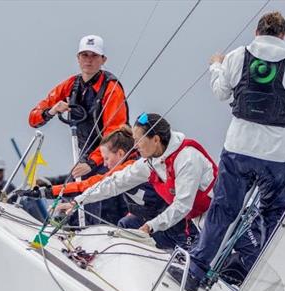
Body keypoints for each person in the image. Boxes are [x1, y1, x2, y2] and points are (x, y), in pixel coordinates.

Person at [173, 11, 285, 291]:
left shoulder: (238, 55)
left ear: (257, 31)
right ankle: (259, 287)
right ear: (283, 35)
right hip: (277, 155)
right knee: (273, 216)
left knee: (222, 212)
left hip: (239, 150)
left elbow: (220, 93)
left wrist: (216, 66)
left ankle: (194, 274)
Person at [58, 113, 217, 250]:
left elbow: (182, 205)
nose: (135, 146)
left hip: (214, 219)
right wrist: (78, 201)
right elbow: (115, 182)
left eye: (139, 140)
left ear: (155, 139)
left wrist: (151, 225)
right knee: (127, 225)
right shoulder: (150, 162)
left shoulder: (187, 158)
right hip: (185, 222)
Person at [28, 34, 129, 180]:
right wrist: (51, 111)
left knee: (93, 195)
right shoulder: (71, 84)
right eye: (84, 55)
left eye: (94, 55)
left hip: (110, 158)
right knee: (72, 192)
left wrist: (91, 162)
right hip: (84, 155)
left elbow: (114, 133)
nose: (89, 60)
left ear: (103, 60)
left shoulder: (112, 89)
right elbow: (33, 119)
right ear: (78, 58)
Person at [26, 126, 166, 226]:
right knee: (125, 224)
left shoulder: (131, 169)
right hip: (146, 218)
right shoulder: (126, 167)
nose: (104, 164)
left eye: (106, 158)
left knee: (125, 223)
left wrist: (47, 192)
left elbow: (92, 185)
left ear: (121, 154)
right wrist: (72, 202)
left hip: (166, 218)